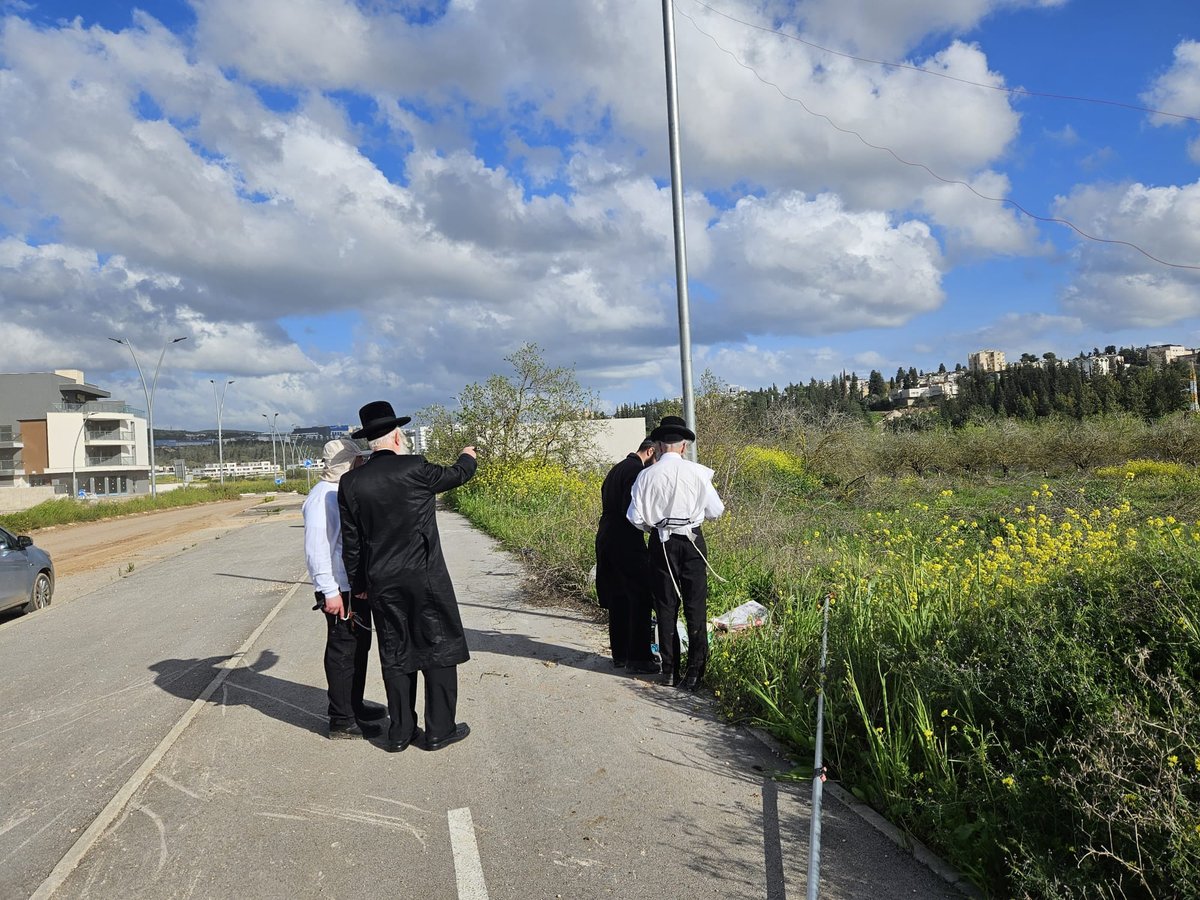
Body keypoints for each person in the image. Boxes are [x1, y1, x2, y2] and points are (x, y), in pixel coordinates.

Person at [338, 400, 478, 753]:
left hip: (381, 581)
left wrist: (360, 587)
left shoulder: (351, 483)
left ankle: (400, 731)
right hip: (425, 577)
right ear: (398, 436)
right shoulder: (415, 468)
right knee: (439, 647)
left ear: (369, 441)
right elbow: (456, 475)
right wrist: (467, 456)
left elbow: (351, 544)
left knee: (395, 651)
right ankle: (438, 731)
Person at [627, 415, 724, 691]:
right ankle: (695, 673)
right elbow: (716, 511)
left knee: (666, 605)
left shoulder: (645, 476)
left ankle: (669, 670)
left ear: (657, 446)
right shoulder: (699, 473)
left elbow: (634, 517)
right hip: (692, 542)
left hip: (661, 542)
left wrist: (655, 524)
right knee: (696, 604)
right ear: (683, 446)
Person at [302, 438, 387, 739]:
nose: (362, 464)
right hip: (339, 590)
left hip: (352, 587)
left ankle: (355, 706)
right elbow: (317, 550)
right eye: (358, 460)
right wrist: (329, 592)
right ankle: (341, 720)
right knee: (342, 651)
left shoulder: (339, 491)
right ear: (347, 464)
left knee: (358, 648)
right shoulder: (321, 498)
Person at [594, 439, 659, 673]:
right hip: (625, 538)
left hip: (606, 537)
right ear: (650, 451)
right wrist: (652, 526)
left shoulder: (617, 468)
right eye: (657, 456)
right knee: (641, 596)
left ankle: (620, 655)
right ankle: (639, 659)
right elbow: (630, 510)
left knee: (618, 598)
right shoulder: (636, 472)